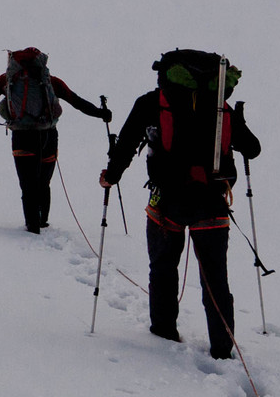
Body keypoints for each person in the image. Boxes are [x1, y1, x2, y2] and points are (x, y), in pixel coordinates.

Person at [99, 50, 258, 357]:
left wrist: (111, 175)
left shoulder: (152, 102)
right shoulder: (220, 108)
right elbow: (253, 148)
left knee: (162, 266)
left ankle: (163, 333)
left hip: (166, 199)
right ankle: (222, 348)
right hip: (212, 200)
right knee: (215, 277)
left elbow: (128, 142)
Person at [0, 48, 110, 232]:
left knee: (28, 186)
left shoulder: (6, 80)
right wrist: (101, 113)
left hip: (22, 138)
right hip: (48, 136)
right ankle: (43, 225)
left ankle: (32, 231)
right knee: (43, 184)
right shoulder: (50, 81)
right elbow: (76, 101)